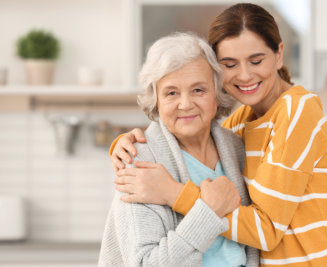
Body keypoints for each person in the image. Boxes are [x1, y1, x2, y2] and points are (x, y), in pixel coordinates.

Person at [110, 3, 327, 265]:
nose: (244, 75)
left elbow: (268, 230)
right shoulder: (238, 128)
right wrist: (124, 144)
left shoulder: (296, 111)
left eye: (256, 60)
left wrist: (173, 193)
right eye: (230, 64)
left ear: (279, 54)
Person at [99, 32, 259, 266]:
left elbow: (273, 220)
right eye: (171, 92)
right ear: (157, 100)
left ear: (217, 94)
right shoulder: (139, 159)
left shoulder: (238, 148)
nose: (185, 104)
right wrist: (208, 212)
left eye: (198, 90)